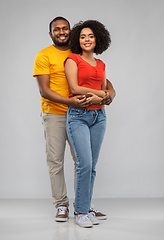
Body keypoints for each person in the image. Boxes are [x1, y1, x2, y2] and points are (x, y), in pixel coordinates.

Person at [33, 17, 115, 222]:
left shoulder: (78, 51)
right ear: (50, 33)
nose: (61, 32)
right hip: (55, 113)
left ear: (71, 31)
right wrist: (72, 102)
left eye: (65, 29)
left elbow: (99, 77)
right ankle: (61, 205)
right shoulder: (44, 55)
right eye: (56, 30)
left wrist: (110, 93)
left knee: (84, 162)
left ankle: (84, 204)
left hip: (83, 112)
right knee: (56, 161)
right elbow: (44, 90)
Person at [64, 20, 115, 228]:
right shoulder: (72, 59)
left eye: (91, 36)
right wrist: (102, 94)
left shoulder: (101, 64)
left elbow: (106, 91)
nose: (86, 39)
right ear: (78, 39)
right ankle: (81, 212)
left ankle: (85, 206)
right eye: (83, 36)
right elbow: (75, 88)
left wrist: (108, 95)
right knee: (84, 164)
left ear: (97, 40)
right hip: (78, 116)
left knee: (91, 166)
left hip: (99, 118)